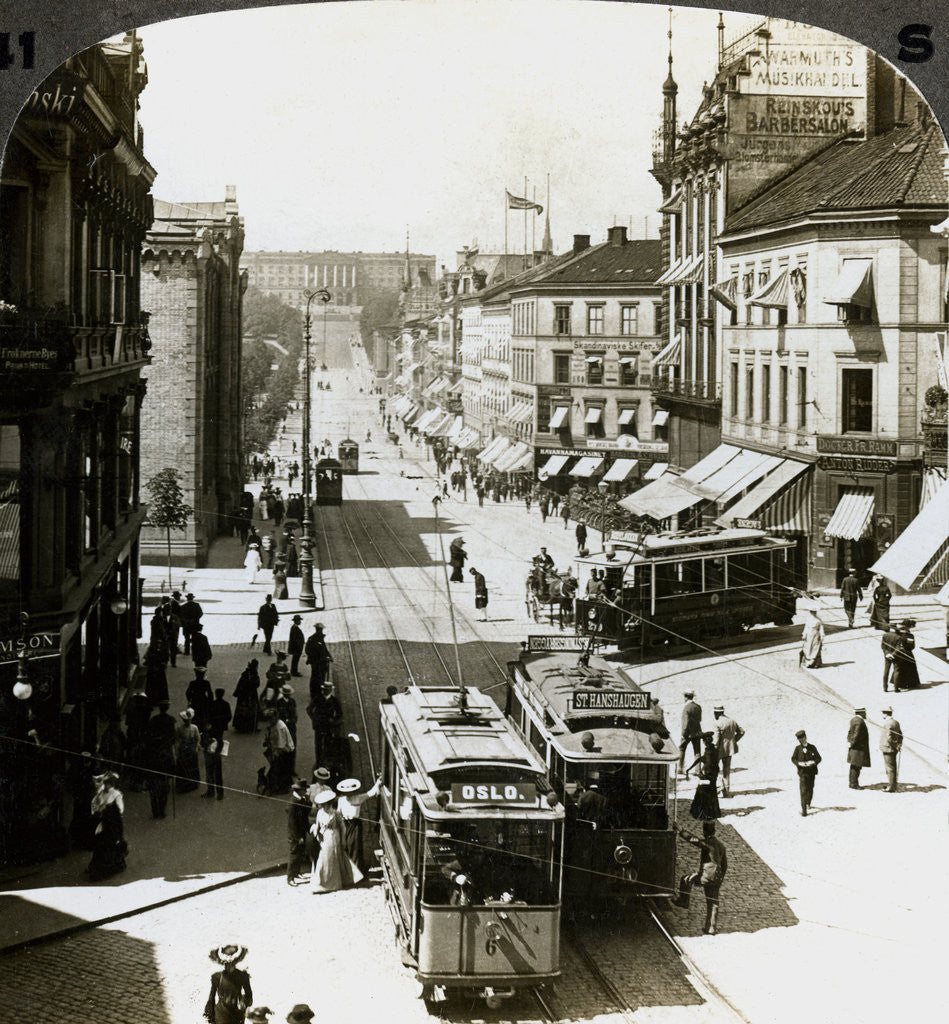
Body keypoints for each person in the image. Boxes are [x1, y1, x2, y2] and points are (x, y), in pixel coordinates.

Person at [673, 821, 727, 935]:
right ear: (714, 830)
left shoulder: (708, 843)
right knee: (713, 901)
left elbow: (694, 840)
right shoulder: (721, 845)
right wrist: (721, 878)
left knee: (686, 879)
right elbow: (725, 864)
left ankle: (684, 901)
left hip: (706, 876)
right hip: (717, 877)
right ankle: (711, 928)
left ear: (704, 831)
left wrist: (681, 830)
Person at [311, 789, 363, 893]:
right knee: (324, 858)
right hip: (324, 837)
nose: (325, 806)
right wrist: (316, 833)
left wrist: (343, 840)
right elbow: (317, 825)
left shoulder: (335, 813)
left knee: (335, 856)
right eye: (323, 805)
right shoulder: (320, 813)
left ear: (330, 803)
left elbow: (343, 827)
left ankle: (336, 883)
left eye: (327, 804)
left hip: (334, 836)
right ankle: (322, 883)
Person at [336, 775, 382, 873]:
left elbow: (371, 793)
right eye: (346, 792)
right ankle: (348, 870)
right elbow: (338, 813)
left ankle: (356, 870)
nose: (348, 794)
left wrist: (378, 783)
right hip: (345, 824)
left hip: (355, 825)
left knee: (355, 846)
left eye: (350, 792)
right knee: (346, 846)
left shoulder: (359, 798)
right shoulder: (341, 800)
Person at [86, 771, 127, 880]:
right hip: (103, 821)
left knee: (110, 845)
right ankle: (97, 867)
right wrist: (97, 810)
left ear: (112, 784)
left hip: (112, 823)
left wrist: (108, 809)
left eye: (108, 784)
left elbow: (120, 809)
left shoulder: (116, 794)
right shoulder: (100, 793)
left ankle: (110, 867)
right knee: (101, 845)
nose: (106, 786)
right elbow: (94, 804)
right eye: (105, 784)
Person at [203, 944, 253, 1024]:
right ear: (222, 962)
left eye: (232, 960)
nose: (229, 963)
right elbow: (211, 997)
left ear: (236, 960)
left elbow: (249, 995)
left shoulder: (242, 976)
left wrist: (243, 1001)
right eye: (226, 962)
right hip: (221, 1014)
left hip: (237, 1014)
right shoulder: (217, 977)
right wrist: (210, 1016)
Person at [145, 701, 177, 819]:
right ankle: (162, 810)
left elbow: (148, 737)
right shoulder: (170, 721)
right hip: (166, 756)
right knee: (164, 787)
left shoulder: (153, 720)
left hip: (154, 756)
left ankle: (155, 810)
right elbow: (173, 739)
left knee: (153, 787)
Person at [687, 732, 722, 820]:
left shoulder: (709, 751)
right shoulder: (713, 749)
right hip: (714, 774)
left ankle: (703, 813)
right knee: (712, 793)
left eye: (703, 740)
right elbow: (702, 759)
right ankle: (714, 812)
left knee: (703, 792)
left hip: (709, 775)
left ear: (705, 742)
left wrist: (703, 774)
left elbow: (708, 763)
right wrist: (690, 768)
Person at [712, 705, 744, 798]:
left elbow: (716, 739)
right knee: (726, 770)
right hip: (730, 749)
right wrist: (733, 741)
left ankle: (718, 788)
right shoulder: (732, 721)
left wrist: (713, 748)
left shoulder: (717, 723)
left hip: (719, 750)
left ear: (717, 713)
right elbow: (741, 732)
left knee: (715, 769)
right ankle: (726, 791)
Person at [307, 680, 342, 766]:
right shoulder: (318, 698)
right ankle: (318, 762)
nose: (325, 691)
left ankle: (325, 761)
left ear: (330, 690)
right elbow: (309, 709)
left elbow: (339, 713)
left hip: (328, 726)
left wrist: (333, 720)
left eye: (327, 689)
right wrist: (314, 719)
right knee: (318, 744)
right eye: (324, 689)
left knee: (327, 743)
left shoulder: (334, 701)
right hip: (319, 725)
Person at [790, 729, 822, 815]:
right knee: (803, 790)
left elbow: (819, 758)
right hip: (802, 772)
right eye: (800, 739)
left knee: (810, 789)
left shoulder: (812, 747)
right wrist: (798, 763)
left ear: (805, 737)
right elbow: (793, 758)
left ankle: (808, 803)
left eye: (803, 738)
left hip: (811, 772)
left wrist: (813, 762)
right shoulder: (797, 748)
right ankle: (804, 811)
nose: (802, 740)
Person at [263, 711, 295, 795]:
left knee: (280, 768)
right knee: (283, 769)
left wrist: (275, 754)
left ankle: (283, 788)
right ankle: (286, 784)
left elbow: (281, 745)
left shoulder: (279, 727)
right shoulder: (275, 725)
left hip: (285, 750)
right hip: (281, 749)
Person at [287, 780, 312, 885]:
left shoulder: (300, 799)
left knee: (300, 853)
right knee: (294, 855)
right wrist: (298, 837)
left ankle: (297, 873)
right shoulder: (292, 803)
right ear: (299, 790)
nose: (306, 791)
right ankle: (290, 878)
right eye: (304, 789)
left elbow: (306, 813)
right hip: (295, 835)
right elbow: (292, 824)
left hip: (301, 832)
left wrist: (308, 801)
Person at [175, 708, 202, 793]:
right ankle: (183, 784)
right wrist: (177, 749)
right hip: (183, 749)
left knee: (192, 766)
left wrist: (196, 747)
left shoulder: (194, 728)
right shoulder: (180, 728)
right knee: (183, 767)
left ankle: (193, 783)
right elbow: (177, 739)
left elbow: (198, 738)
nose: (188, 722)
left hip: (191, 749)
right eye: (186, 720)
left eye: (189, 720)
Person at [304, 623, 333, 701]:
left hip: (322, 662)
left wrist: (329, 656)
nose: (321, 631)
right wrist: (314, 658)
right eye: (320, 629)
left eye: (321, 630)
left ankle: (320, 692)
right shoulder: (312, 639)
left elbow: (324, 648)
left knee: (321, 677)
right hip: (316, 662)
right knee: (315, 677)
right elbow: (307, 650)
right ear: (317, 629)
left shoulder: (320, 638)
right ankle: (313, 693)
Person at [892, 619, 921, 691]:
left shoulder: (897, 634)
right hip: (908, 653)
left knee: (899, 669)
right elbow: (912, 646)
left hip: (898, 653)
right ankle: (910, 683)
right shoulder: (910, 636)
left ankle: (898, 683)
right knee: (909, 668)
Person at [233, 660, 261, 733]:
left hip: (243, 694)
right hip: (251, 694)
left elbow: (241, 683)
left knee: (243, 709)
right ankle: (250, 726)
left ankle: (241, 726)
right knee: (251, 709)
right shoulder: (254, 674)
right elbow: (257, 684)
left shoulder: (245, 673)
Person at [679, 690, 702, 777]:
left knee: (681, 748)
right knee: (697, 751)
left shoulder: (686, 708)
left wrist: (683, 733)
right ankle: (698, 770)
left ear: (686, 697)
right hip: (697, 731)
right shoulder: (698, 707)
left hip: (688, 733)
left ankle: (680, 768)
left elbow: (685, 722)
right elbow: (700, 719)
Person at [879, 707, 903, 792]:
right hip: (893, 748)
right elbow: (900, 735)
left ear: (886, 714)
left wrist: (895, 745)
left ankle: (891, 787)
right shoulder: (896, 722)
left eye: (883, 713)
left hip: (888, 748)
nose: (882, 715)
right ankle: (892, 784)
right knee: (893, 767)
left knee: (889, 768)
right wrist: (899, 744)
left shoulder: (888, 723)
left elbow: (888, 737)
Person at [847, 707, 871, 789]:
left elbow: (850, 732)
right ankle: (854, 784)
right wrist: (852, 743)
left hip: (854, 747)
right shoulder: (859, 721)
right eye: (864, 713)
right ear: (861, 713)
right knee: (856, 766)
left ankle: (851, 783)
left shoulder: (853, 720)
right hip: (858, 748)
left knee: (853, 766)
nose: (865, 714)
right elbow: (856, 735)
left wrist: (849, 742)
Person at [201, 723, 225, 800]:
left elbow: (221, 743)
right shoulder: (204, 733)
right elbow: (202, 743)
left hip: (215, 755)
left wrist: (216, 752)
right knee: (209, 774)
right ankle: (211, 791)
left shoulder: (216, 732)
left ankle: (219, 793)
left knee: (217, 774)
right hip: (208, 754)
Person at [881, 622, 901, 692]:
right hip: (896, 656)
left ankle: (885, 688)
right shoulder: (898, 637)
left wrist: (887, 654)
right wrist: (893, 654)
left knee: (886, 671)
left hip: (887, 656)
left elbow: (883, 646)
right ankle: (896, 688)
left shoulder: (885, 635)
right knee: (896, 671)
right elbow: (898, 648)